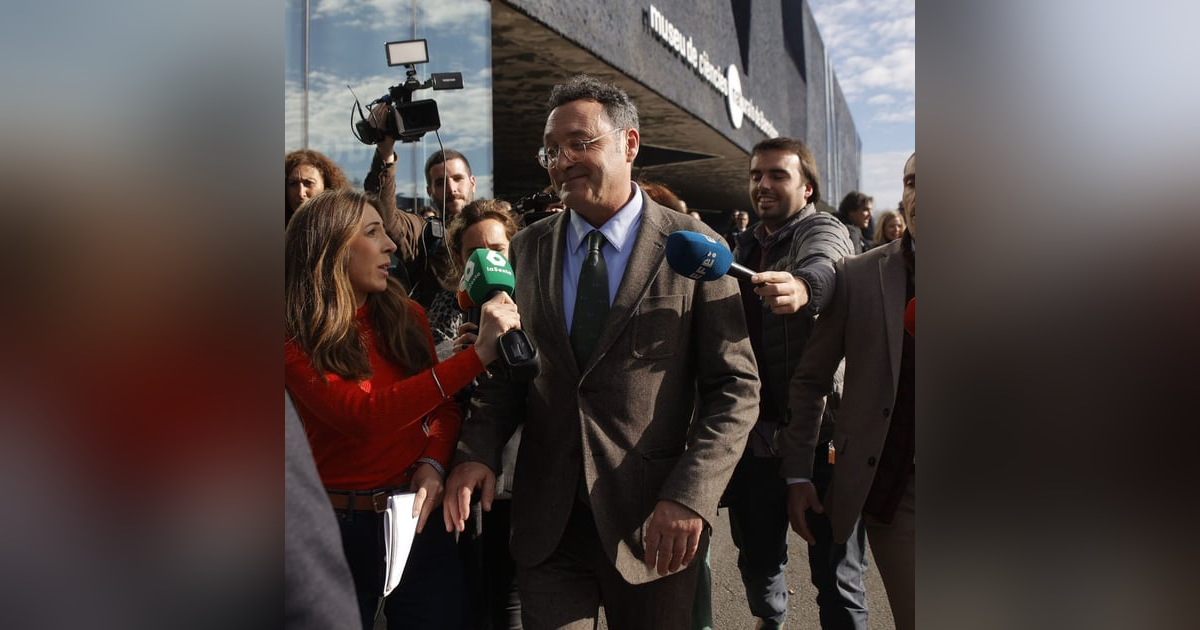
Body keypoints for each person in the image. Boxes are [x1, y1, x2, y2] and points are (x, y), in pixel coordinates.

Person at [444, 74, 760, 630]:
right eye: (552, 150)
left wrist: (691, 495)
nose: (562, 160)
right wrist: (477, 451)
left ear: (629, 144)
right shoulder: (526, 248)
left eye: (580, 143)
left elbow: (735, 390)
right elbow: (507, 373)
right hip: (548, 525)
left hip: (655, 524)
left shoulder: (696, 247)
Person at [284, 188, 522, 630]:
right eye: (373, 233)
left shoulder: (407, 314)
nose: (391, 244)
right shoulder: (292, 337)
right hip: (335, 529)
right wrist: (473, 359)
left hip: (416, 520)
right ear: (331, 247)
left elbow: (445, 409)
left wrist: (432, 463)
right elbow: (365, 417)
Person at [722, 137, 865, 630]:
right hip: (753, 439)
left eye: (777, 175)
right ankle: (772, 619)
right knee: (758, 565)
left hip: (822, 436)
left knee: (838, 582)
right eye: (756, 175)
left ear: (807, 188)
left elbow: (827, 265)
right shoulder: (742, 246)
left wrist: (804, 287)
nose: (763, 184)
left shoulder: (823, 228)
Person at [781, 152, 917, 630]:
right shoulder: (859, 277)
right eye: (912, 181)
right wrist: (799, 474)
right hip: (899, 493)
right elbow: (812, 379)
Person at [442, 199, 526, 630]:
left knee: (511, 604)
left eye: (497, 247)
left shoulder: (539, 299)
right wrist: (463, 360)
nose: (488, 258)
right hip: (465, 480)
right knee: (473, 601)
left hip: (521, 482)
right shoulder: (459, 308)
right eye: (475, 252)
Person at [363, 123, 476, 354]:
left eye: (457, 178)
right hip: (440, 356)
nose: (451, 188)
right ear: (429, 191)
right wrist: (386, 152)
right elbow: (384, 214)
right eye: (440, 182)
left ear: (472, 182)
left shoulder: (501, 224)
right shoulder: (422, 233)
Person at [285, 391, 359, 630]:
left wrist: (435, 461)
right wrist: (474, 359)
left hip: (410, 516)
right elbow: (359, 416)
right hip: (338, 515)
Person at [285, 149, 351, 227]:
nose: (301, 193)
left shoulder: (343, 228)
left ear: (326, 186)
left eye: (309, 183)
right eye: (293, 184)